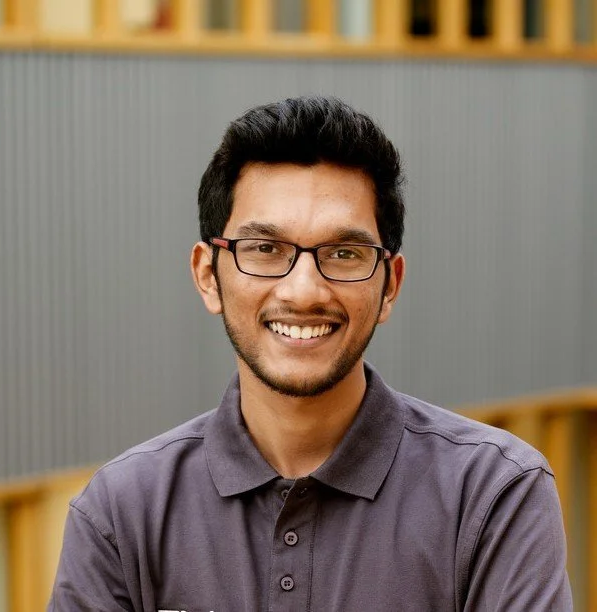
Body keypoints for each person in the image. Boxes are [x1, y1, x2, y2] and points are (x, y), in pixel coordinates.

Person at [49, 96, 572, 611]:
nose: (303, 291)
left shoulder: (493, 495)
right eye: (265, 249)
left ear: (389, 285)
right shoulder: (121, 511)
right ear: (209, 276)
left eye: (344, 253)